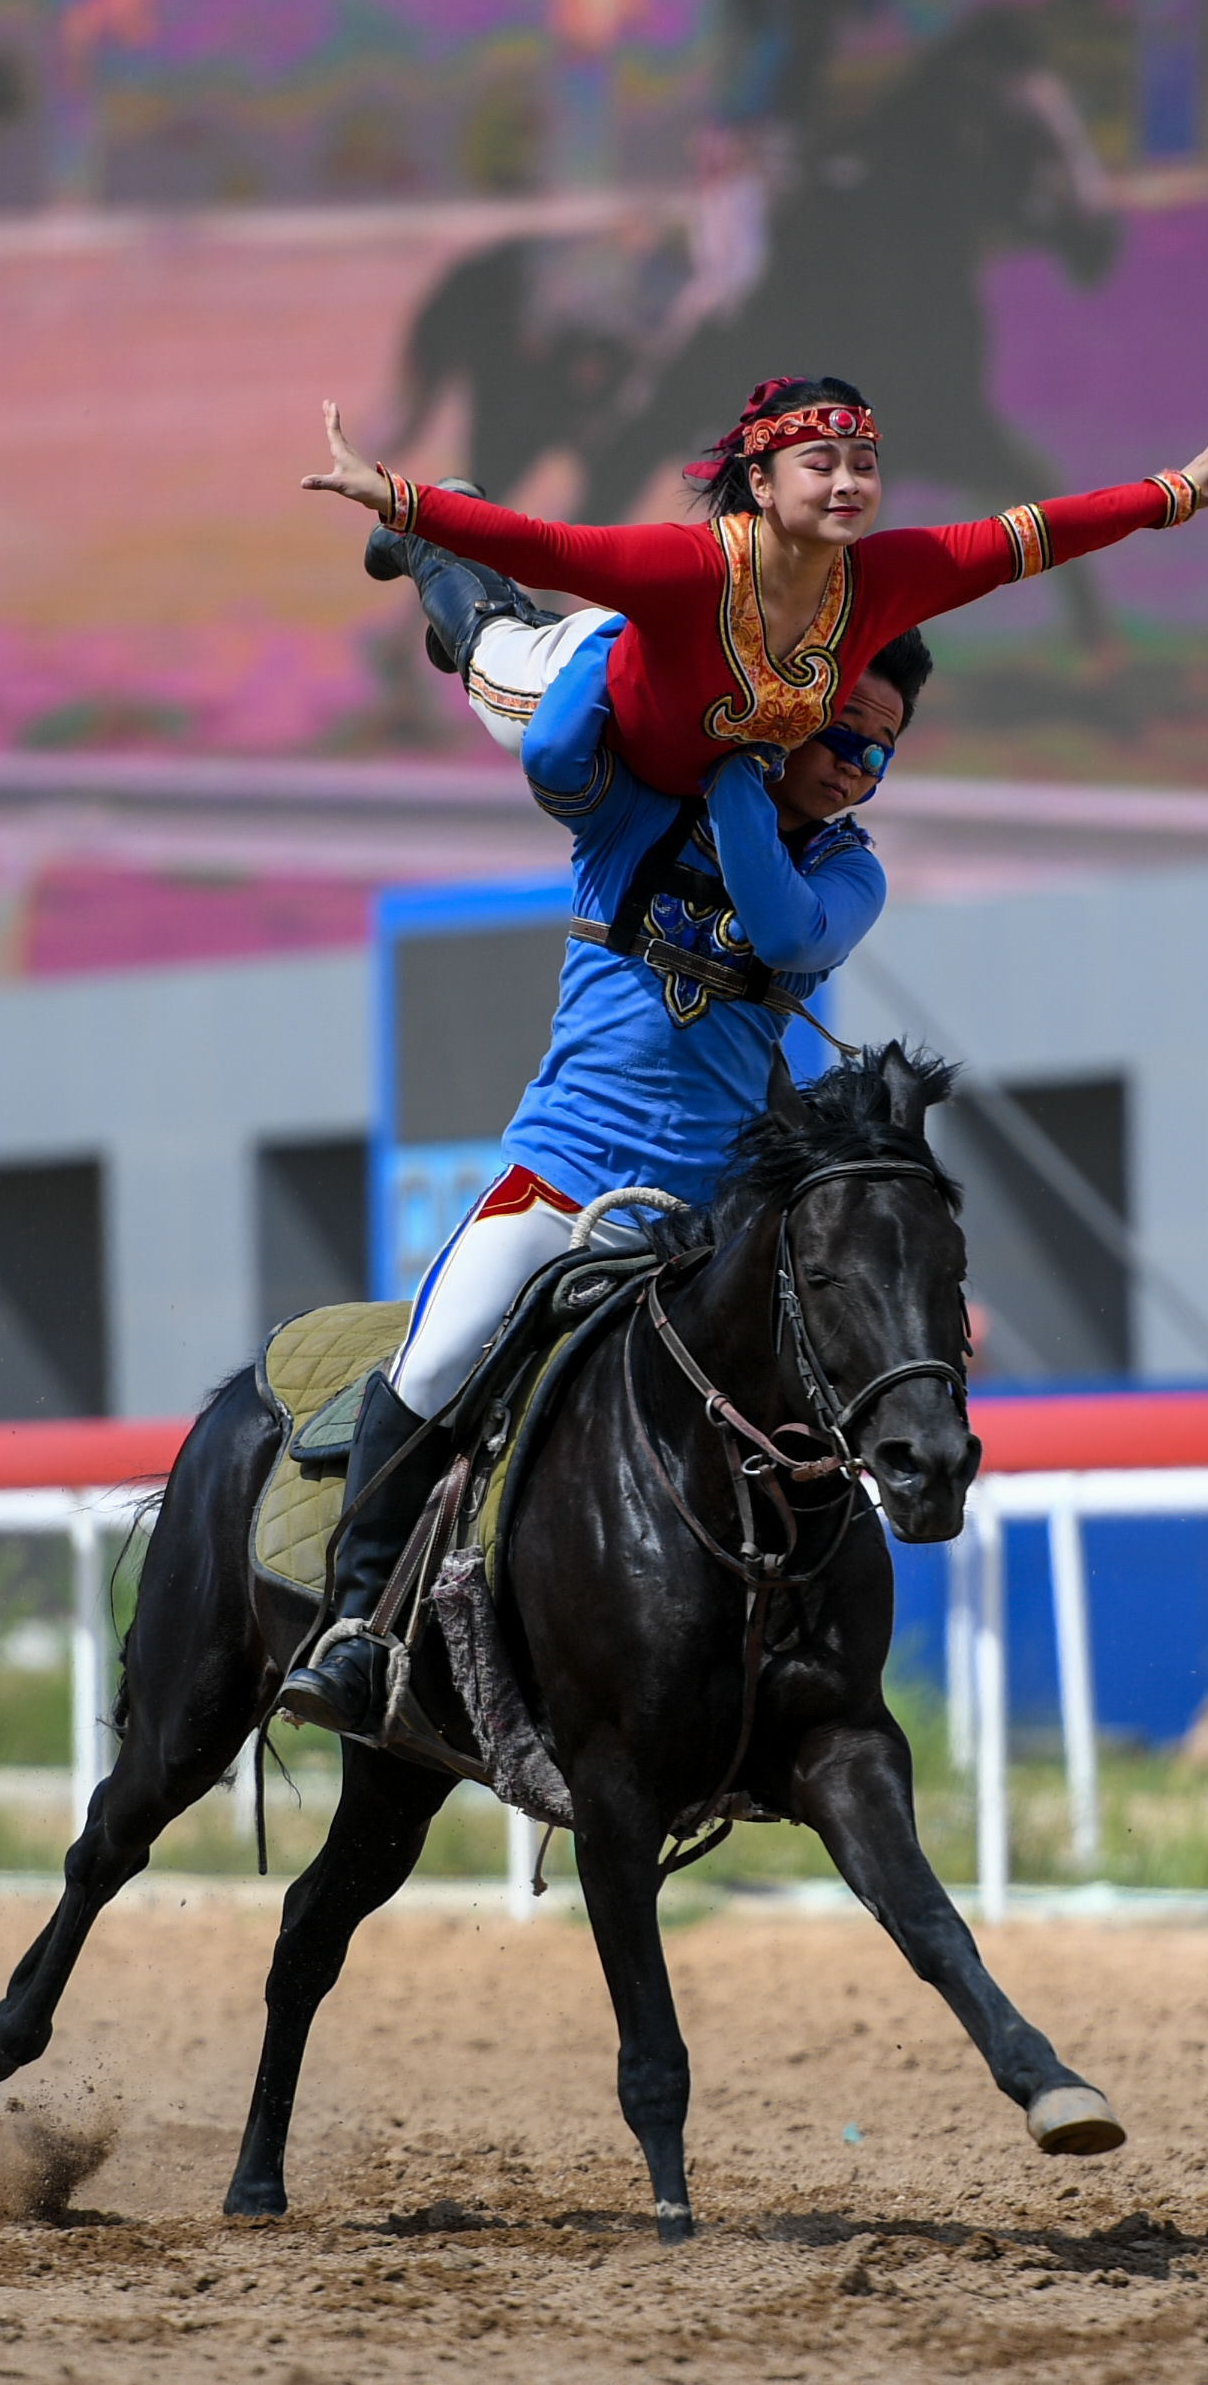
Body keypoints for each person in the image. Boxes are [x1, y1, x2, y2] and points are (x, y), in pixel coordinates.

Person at [275, 619, 929, 1741]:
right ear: (791, 708)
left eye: (880, 751)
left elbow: (780, 928)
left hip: (704, 1228)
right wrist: (627, 618)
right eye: (840, 731)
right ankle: (356, 1631)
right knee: (433, 1361)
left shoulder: (848, 870)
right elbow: (550, 752)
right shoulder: (633, 812)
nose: (854, 766)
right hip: (556, 1187)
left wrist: (733, 764)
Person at [301, 374, 1208, 796]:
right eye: (821, 464)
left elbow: (1034, 536)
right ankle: (430, 570)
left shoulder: (887, 577)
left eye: (863, 464)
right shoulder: (691, 567)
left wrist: (1173, 492)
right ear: (760, 484)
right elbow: (547, 545)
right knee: (487, 645)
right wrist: (397, 496)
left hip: (699, 790)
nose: (848, 483)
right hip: (582, 700)